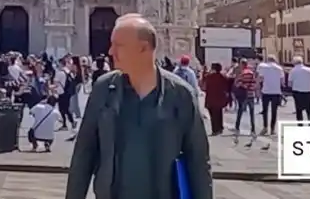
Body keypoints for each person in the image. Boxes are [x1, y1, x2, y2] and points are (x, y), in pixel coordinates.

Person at [65, 14, 212, 199]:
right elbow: (84, 154)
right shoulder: (104, 89)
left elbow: (198, 161)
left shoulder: (180, 95)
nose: (110, 51)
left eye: (118, 45)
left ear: (143, 48)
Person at [255, 54, 284, 135]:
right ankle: (272, 129)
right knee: (274, 111)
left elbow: (260, 78)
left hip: (266, 91)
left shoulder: (264, 68)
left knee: (265, 110)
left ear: (268, 60)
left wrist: (257, 87)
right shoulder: (279, 68)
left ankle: (265, 127)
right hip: (276, 92)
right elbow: (282, 82)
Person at [200, 62, 232, 136]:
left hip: (210, 99)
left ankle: (215, 129)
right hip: (220, 99)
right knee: (219, 113)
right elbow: (228, 84)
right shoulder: (223, 77)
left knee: (213, 115)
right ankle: (220, 128)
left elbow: (203, 86)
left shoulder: (209, 77)